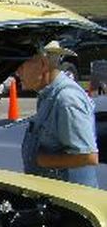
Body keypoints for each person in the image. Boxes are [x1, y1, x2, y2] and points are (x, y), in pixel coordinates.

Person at [19, 40, 99, 187]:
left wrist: (43, 160)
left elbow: (88, 157)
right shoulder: (47, 95)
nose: (18, 72)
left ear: (43, 64)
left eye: (22, 65)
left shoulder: (66, 99)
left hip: (72, 197)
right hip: (54, 194)